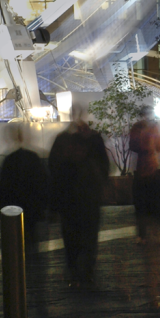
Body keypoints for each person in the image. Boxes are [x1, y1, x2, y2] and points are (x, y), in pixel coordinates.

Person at [48, 114, 109, 286]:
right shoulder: (95, 140)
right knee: (89, 236)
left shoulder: (62, 141)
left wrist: (54, 204)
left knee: (71, 237)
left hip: (69, 197)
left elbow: (54, 169)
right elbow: (104, 166)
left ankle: (74, 271)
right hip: (89, 196)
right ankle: (87, 271)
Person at [0, 127, 48, 243]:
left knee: (17, 237)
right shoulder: (33, 157)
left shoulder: (10, 158)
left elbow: (3, 185)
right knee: (31, 231)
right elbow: (42, 180)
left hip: (15, 202)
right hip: (31, 202)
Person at [129, 106, 160, 243]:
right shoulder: (142, 128)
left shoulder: (148, 127)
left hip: (148, 167)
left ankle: (150, 234)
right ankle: (146, 234)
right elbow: (158, 146)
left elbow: (159, 146)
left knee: (150, 203)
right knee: (145, 203)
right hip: (147, 167)